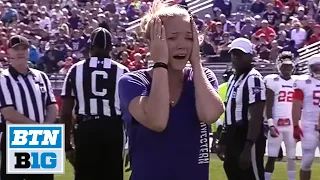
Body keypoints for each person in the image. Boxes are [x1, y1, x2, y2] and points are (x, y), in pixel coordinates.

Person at [118, 1, 225, 180]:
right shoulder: (133, 82)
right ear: (151, 43)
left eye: (189, 37)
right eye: (172, 37)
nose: (182, 45)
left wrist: (197, 62)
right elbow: (158, 121)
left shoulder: (201, 78)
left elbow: (210, 115)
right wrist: (160, 63)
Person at [60, 27, 129, 180]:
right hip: (113, 130)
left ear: (90, 47)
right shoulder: (123, 71)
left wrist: (66, 145)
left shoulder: (75, 70)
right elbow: (132, 112)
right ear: (111, 48)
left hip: (86, 130)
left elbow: (65, 113)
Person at [0, 35, 58, 180]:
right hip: (16, 136)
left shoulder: (42, 77)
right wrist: (39, 129)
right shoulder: (3, 78)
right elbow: (8, 113)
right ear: (8, 52)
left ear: (29, 51)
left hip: (43, 137)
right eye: (16, 49)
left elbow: (52, 105)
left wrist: (46, 127)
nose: (20, 52)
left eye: (23, 48)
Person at [219, 37, 266, 180]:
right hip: (233, 134)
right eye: (234, 54)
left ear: (250, 56)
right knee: (233, 172)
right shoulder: (233, 78)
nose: (236, 58)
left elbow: (256, 115)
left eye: (240, 54)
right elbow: (229, 110)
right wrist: (223, 139)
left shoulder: (253, 78)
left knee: (251, 175)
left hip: (246, 135)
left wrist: (248, 146)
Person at [264, 51, 296, 180]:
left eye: (289, 67)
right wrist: (270, 125)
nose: (287, 69)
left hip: (292, 126)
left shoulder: (297, 82)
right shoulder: (273, 81)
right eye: (284, 67)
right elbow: (269, 105)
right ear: (279, 66)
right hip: (277, 124)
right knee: (271, 157)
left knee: (292, 157)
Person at [292, 54, 320, 180]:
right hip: (309, 125)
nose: (318, 70)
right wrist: (295, 125)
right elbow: (296, 104)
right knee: (307, 160)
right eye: (316, 68)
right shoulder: (303, 82)